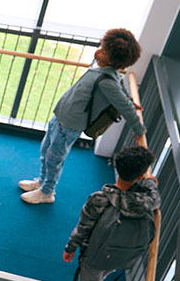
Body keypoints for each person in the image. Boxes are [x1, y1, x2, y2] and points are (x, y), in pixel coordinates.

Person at [45, 146, 159, 281]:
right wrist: (149, 182)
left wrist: (70, 248)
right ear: (140, 176)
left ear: (117, 166)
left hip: (96, 254)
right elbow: (155, 196)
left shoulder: (100, 198)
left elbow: (83, 227)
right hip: (120, 256)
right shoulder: (146, 200)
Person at [19, 28, 146, 204]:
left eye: (103, 51)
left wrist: (139, 129)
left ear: (112, 59)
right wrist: (131, 99)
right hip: (60, 118)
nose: (97, 51)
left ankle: (47, 192)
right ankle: (41, 182)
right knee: (45, 151)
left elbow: (123, 106)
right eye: (101, 46)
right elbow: (122, 87)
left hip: (70, 124)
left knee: (54, 158)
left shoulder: (108, 81)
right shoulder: (107, 71)